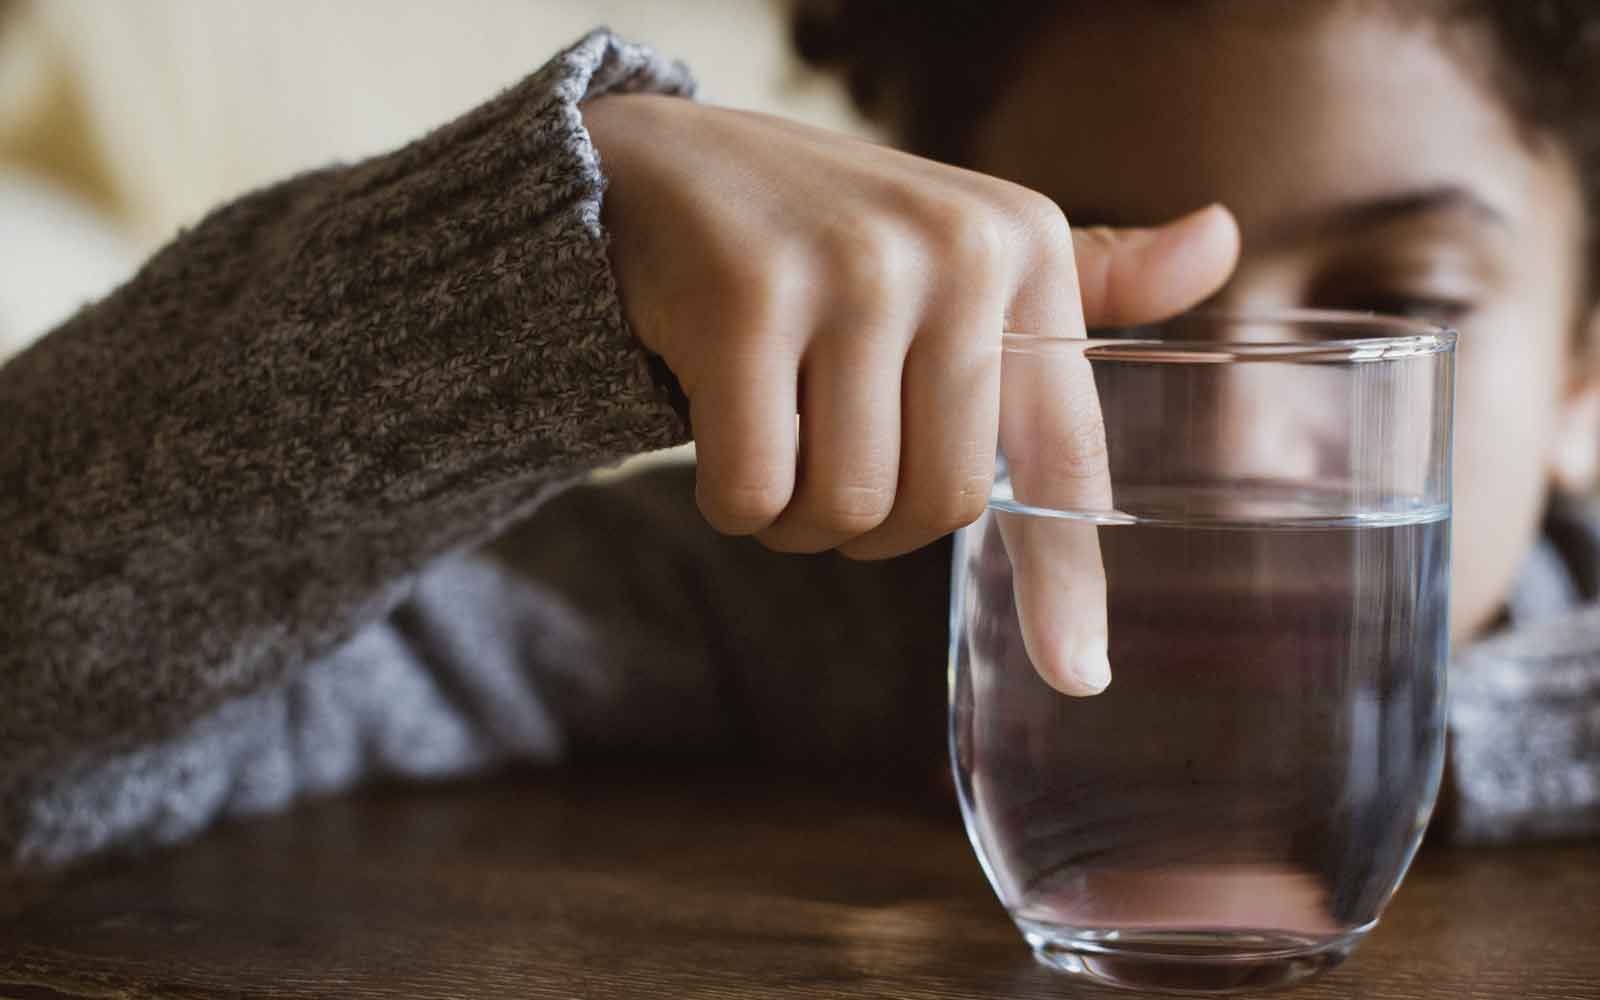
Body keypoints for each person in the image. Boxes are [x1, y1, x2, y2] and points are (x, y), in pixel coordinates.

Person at [3, 0, 1597, 877]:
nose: (1231, 433)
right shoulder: (747, 604)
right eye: (1107, 305)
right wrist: (533, 260)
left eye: (1401, 295)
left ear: (1587, 364)